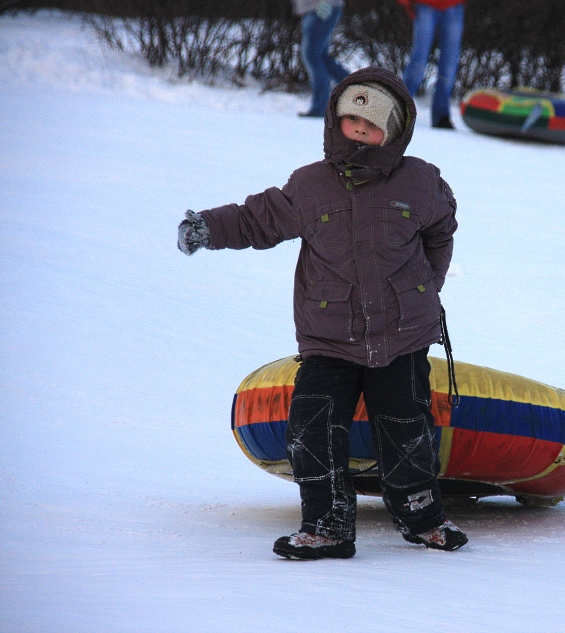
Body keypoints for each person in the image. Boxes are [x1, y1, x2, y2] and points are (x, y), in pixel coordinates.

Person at [177, 66, 466, 560]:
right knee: (312, 430)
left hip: (402, 335)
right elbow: (258, 219)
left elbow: (442, 230)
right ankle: (327, 525)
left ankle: (423, 518)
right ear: (334, 123)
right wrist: (208, 227)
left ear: (394, 132)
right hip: (330, 336)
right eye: (350, 120)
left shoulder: (420, 181)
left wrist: (425, 287)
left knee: (406, 428)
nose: (359, 131)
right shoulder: (311, 186)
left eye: (371, 125)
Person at [397, 0, 465, 129]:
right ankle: (399, 108)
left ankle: (441, 116)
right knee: (418, 62)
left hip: (454, 6)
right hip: (425, 5)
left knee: (449, 65)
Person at [294, 0, 350, 117]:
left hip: (321, 7)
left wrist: (327, 3)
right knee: (321, 57)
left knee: (312, 55)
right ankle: (358, 87)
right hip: (316, 7)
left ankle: (320, 107)